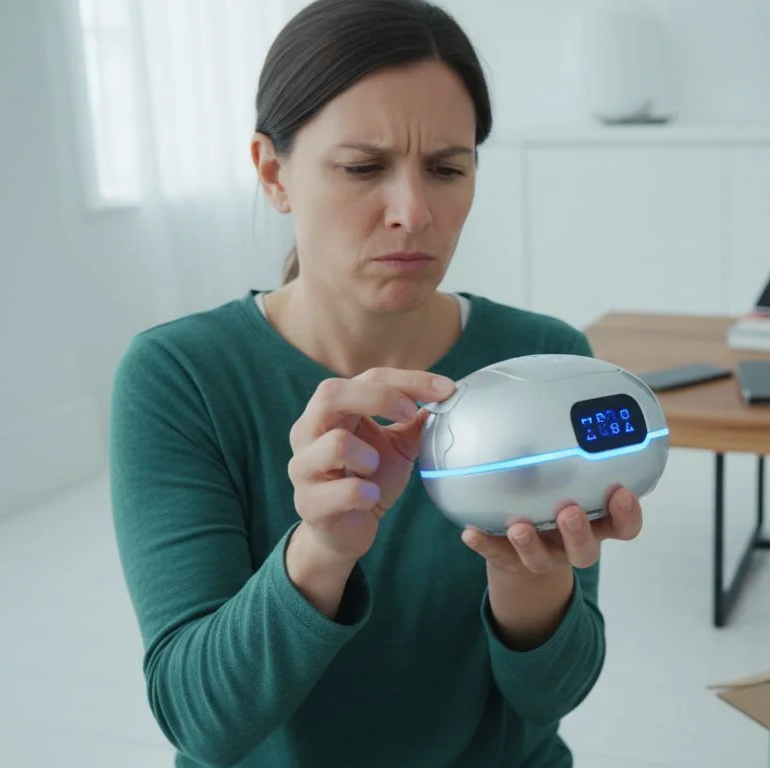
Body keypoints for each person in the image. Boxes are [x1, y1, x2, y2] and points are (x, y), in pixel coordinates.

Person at [107, 1, 646, 766]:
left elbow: (550, 698)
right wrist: (322, 549)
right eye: (363, 168)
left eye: (447, 168)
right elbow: (202, 721)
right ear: (273, 173)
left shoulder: (543, 361)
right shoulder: (182, 377)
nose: (414, 213)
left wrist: (527, 577)